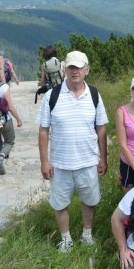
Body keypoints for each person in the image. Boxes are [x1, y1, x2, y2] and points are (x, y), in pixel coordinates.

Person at [37, 50, 108, 252]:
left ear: (87, 70)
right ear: (64, 69)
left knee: (90, 200)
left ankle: (87, 234)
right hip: (60, 163)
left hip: (88, 160)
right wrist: (44, 161)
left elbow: (101, 128)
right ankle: (65, 238)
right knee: (60, 203)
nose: (75, 71)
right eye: (71, 67)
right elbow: (43, 131)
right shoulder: (52, 96)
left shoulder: (94, 94)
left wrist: (103, 158)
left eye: (79, 68)